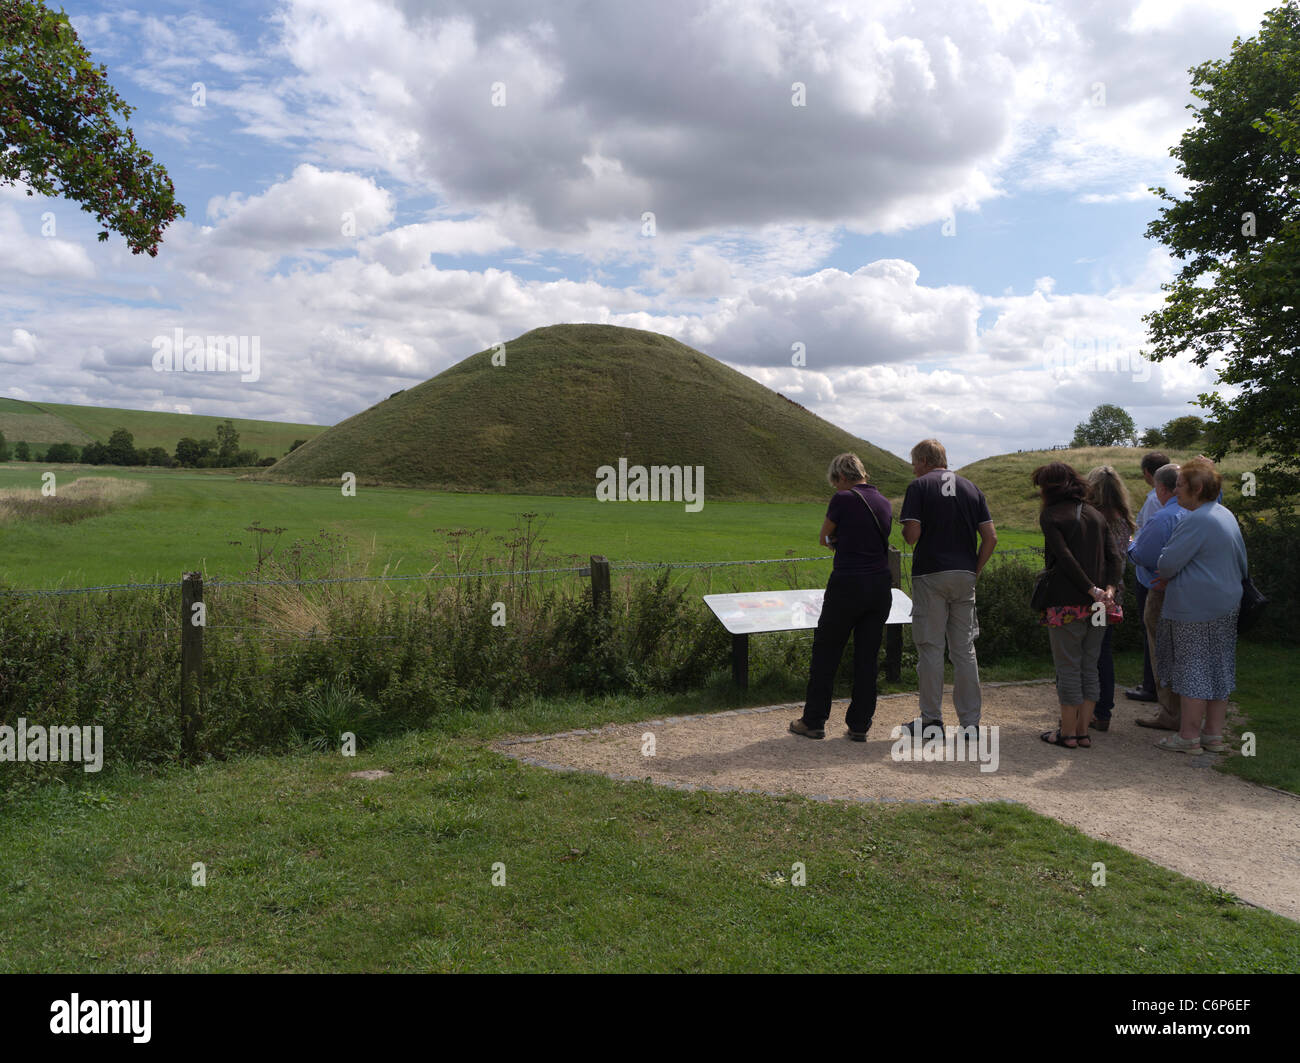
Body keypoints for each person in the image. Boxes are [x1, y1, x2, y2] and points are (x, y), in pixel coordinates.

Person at [790, 453, 893, 741]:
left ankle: (814, 720)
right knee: (867, 657)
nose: (835, 487)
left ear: (841, 477)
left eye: (835, 482)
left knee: (827, 652)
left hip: (848, 583)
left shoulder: (843, 498)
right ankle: (860, 725)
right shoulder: (884, 502)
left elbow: (823, 537)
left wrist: (838, 543)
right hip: (879, 586)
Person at [898, 439, 996, 739]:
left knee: (931, 647)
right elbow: (990, 538)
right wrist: (974, 571)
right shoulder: (971, 488)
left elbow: (912, 535)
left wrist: (905, 528)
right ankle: (970, 724)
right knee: (964, 649)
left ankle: (931, 722)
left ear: (925, 461)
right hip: (964, 574)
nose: (914, 469)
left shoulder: (919, 487)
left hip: (930, 574)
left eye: (915, 462)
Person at [1152, 458, 1248, 755]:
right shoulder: (1225, 514)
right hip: (1226, 603)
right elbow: (1242, 564)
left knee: (1193, 669)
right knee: (1218, 669)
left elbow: (1166, 564)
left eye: (1180, 486)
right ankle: (1213, 736)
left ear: (1198, 488)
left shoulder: (1196, 519)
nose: (1175, 491)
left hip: (1194, 608)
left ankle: (1188, 736)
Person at [1032, 462, 1124, 749]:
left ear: (1048, 487)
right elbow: (1115, 558)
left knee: (1068, 667)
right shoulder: (1096, 515)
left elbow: (1064, 558)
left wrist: (1090, 588)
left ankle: (1067, 733)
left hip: (1066, 604)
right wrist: (1107, 590)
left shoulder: (1051, 516)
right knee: (1090, 665)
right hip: (1099, 607)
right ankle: (1083, 731)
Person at [1127, 463, 1186, 730]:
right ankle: (1192, 713)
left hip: (1162, 592)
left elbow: (1144, 555)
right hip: (1191, 593)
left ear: (1161, 488)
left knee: (1162, 652)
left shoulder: (1163, 517)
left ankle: (1171, 714)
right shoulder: (1197, 512)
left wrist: (1129, 546)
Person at [1084, 466, 1135, 731]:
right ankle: (1103, 711)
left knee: (1086, 653)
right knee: (1103, 652)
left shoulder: (1091, 519)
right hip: (1114, 594)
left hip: (1092, 593)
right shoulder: (1123, 519)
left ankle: (1086, 710)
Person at [1124, 451, 1169, 703]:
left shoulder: (1155, 500)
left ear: (1148, 474)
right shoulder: (1174, 500)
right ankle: (1158, 685)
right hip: (1161, 574)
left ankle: (1151, 686)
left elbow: (1146, 543)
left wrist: (1131, 545)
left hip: (1149, 576)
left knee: (1151, 631)